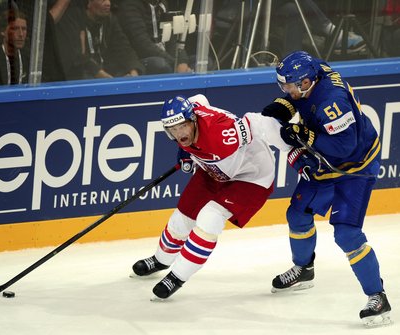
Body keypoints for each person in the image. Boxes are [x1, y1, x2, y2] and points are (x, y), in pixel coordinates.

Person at [261, 50, 392, 327]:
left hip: (354, 166)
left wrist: (304, 135)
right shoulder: (315, 69)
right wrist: (283, 103)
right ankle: (304, 268)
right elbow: (298, 100)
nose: (286, 90)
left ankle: (378, 296)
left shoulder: (333, 102)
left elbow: (343, 147)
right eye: (282, 85)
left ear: (307, 83)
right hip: (326, 159)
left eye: (290, 87)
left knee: (347, 233)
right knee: (297, 215)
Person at [131, 94, 291, 299]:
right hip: (215, 170)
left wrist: (289, 143)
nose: (178, 134)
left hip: (252, 175)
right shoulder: (189, 116)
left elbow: (255, 122)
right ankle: (161, 259)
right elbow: (199, 99)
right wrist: (187, 153)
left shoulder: (221, 133)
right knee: (182, 217)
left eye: (182, 126)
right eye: (172, 130)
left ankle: (177, 276)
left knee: (210, 217)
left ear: (193, 120)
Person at [55, 0, 144, 80]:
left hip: (109, 73)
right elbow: (78, 57)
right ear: (88, 3)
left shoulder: (111, 20)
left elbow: (125, 48)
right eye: (102, 0)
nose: (108, 3)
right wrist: (105, 77)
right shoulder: (74, 21)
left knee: (154, 64)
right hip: (86, 74)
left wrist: (133, 74)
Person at [117, 0, 192, 74]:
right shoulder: (129, 5)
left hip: (165, 57)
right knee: (160, 65)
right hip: (140, 60)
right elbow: (142, 45)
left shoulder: (162, 3)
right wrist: (175, 63)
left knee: (196, 60)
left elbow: (171, 37)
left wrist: (182, 62)